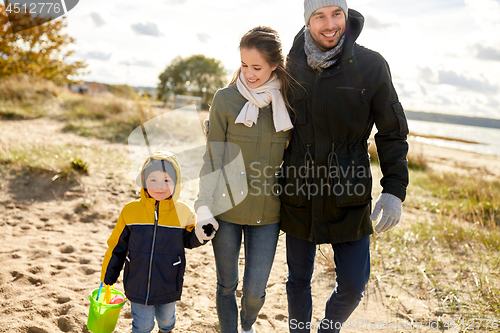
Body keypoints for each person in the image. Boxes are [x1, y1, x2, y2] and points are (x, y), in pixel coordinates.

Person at [281, 1, 409, 332]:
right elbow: (262, 104)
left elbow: (392, 131)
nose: (329, 23)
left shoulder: (370, 64)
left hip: (348, 192)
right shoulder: (289, 66)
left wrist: (394, 189)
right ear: (307, 21)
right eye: (319, 15)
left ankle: (328, 328)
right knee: (298, 280)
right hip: (299, 189)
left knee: (353, 285)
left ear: (346, 15)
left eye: (336, 13)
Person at [195, 26, 294, 333]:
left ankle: (247, 324)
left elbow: (294, 161)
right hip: (225, 210)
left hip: (268, 214)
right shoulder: (224, 99)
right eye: (244, 65)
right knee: (226, 285)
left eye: (257, 67)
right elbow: (213, 157)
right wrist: (202, 205)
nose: (249, 74)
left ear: (275, 65)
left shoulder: (288, 104)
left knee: (254, 292)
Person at [100, 151, 215, 333]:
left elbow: (189, 240)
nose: (159, 187)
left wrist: (203, 233)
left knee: (167, 321)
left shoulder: (183, 212)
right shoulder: (130, 211)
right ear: (144, 181)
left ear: (176, 184)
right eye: (153, 180)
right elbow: (117, 247)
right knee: (142, 326)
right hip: (137, 281)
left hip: (168, 280)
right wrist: (108, 276)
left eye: (166, 181)